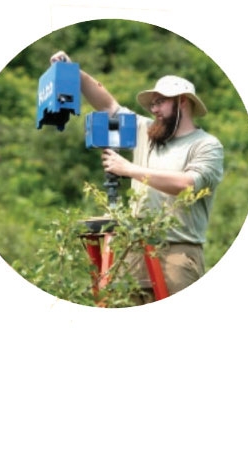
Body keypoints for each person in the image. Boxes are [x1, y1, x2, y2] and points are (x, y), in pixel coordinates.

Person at [48, 51, 224, 303]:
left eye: (160, 102)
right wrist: (74, 72)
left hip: (177, 254)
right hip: (134, 248)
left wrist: (129, 170)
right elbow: (108, 105)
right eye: (152, 104)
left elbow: (186, 184)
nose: (154, 109)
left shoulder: (206, 145)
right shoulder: (147, 132)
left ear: (182, 102)